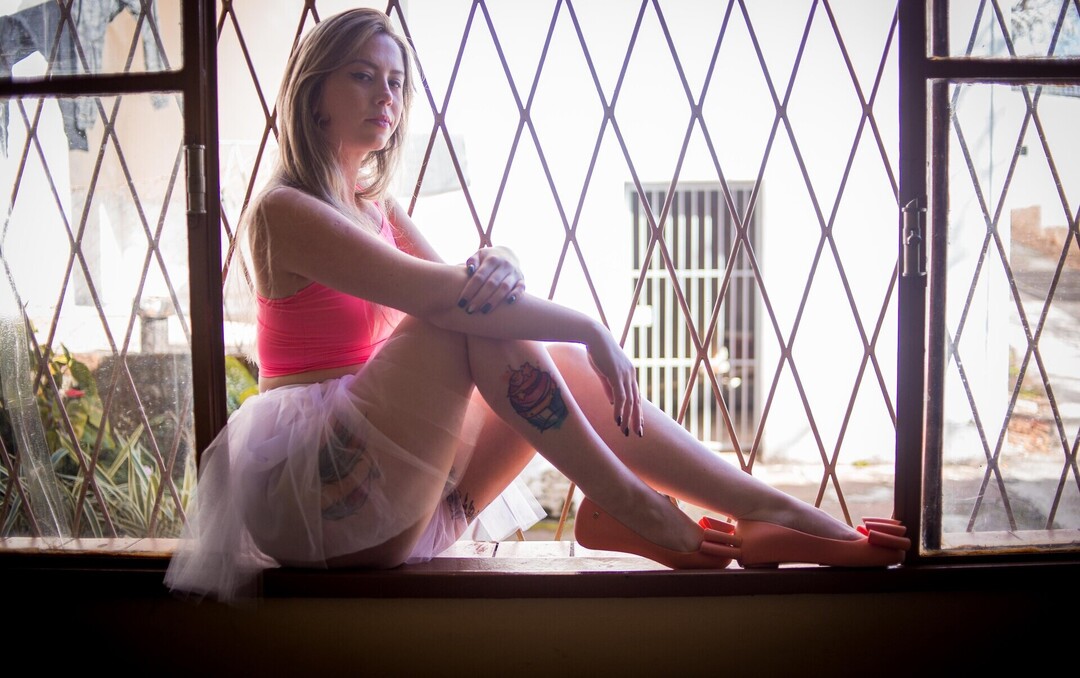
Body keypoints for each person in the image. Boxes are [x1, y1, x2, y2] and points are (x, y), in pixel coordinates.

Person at [164, 8, 909, 602]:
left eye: (395, 82)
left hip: (393, 502)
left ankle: (759, 508)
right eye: (362, 77)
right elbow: (452, 298)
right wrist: (589, 328)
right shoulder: (285, 211)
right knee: (473, 327)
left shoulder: (374, 206)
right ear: (313, 96)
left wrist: (507, 259)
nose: (386, 96)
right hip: (317, 500)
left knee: (524, 344)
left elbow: (474, 284)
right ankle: (640, 505)